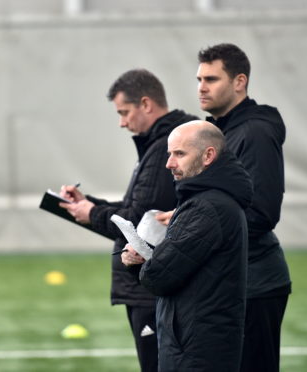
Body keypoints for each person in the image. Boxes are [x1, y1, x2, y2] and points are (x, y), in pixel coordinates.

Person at [156, 43, 291, 372]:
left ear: (239, 82)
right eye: (199, 79)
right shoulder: (221, 131)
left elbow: (262, 212)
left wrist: (195, 223)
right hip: (231, 282)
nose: (201, 87)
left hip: (255, 283)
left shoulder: (255, 132)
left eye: (212, 79)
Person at [59, 69, 198, 372]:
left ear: (146, 104)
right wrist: (89, 205)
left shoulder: (165, 146)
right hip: (150, 280)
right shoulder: (159, 143)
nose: (122, 122)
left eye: (124, 112)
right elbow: (138, 207)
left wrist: (91, 214)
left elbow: (140, 221)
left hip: (151, 281)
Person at [122, 120, 253, 371]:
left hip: (196, 347)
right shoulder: (206, 200)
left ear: (208, 156)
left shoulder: (206, 207)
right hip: (197, 340)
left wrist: (136, 261)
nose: (169, 163)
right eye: (170, 154)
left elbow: (159, 277)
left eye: (179, 154)